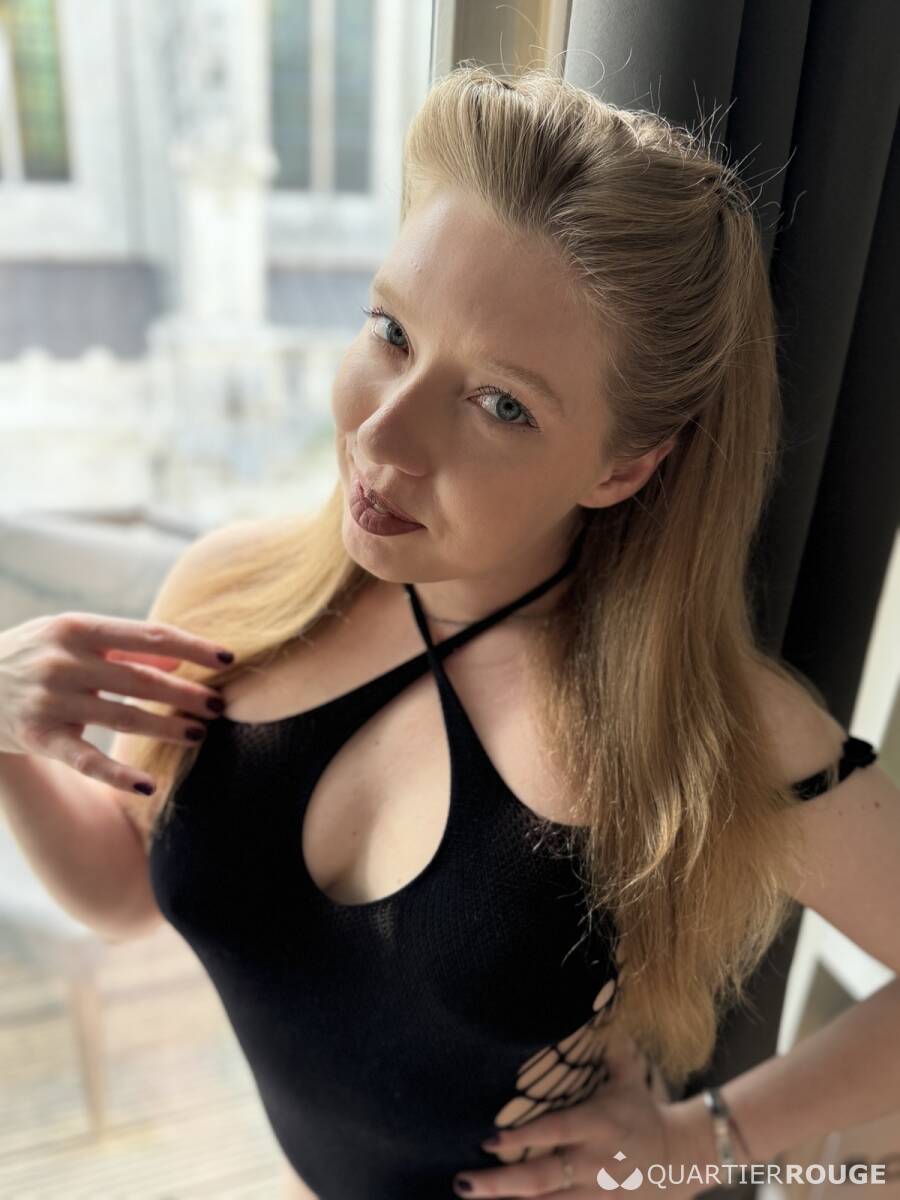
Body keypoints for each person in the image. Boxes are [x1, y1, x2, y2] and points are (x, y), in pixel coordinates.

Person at [0, 65, 894, 1200]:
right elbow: (129, 890)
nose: (382, 436)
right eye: (392, 331)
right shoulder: (231, 597)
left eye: (501, 403)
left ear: (623, 468)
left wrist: (698, 1142)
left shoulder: (701, 732)